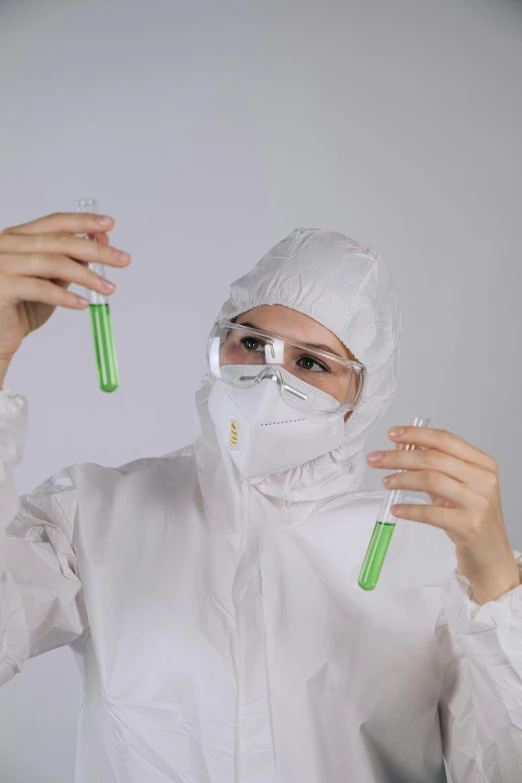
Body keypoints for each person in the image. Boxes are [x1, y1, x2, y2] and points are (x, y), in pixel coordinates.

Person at [0, 214, 521, 783]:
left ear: (362, 398)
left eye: (312, 363)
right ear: (218, 344)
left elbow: (504, 766)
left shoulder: (430, 556)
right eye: (252, 343)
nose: (271, 378)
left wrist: (498, 585)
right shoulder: (95, 514)